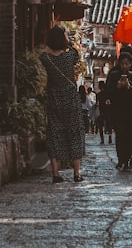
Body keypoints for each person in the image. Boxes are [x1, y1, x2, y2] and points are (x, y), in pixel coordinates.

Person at [39, 25, 86, 183]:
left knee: (54, 133)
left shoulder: (45, 59)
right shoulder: (70, 55)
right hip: (71, 99)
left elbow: (43, 53)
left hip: (54, 99)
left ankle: (56, 173)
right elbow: (75, 54)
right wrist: (70, 42)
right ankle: (76, 173)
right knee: (74, 133)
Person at [105, 45, 132, 170]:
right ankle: (122, 159)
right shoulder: (113, 73)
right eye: (122, 62)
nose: (124, 66)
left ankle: (131, 157)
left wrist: (130, 88)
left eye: (127, 63)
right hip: (118, 109)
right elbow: (107, 91)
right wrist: (117, 88)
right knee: (121, 134)